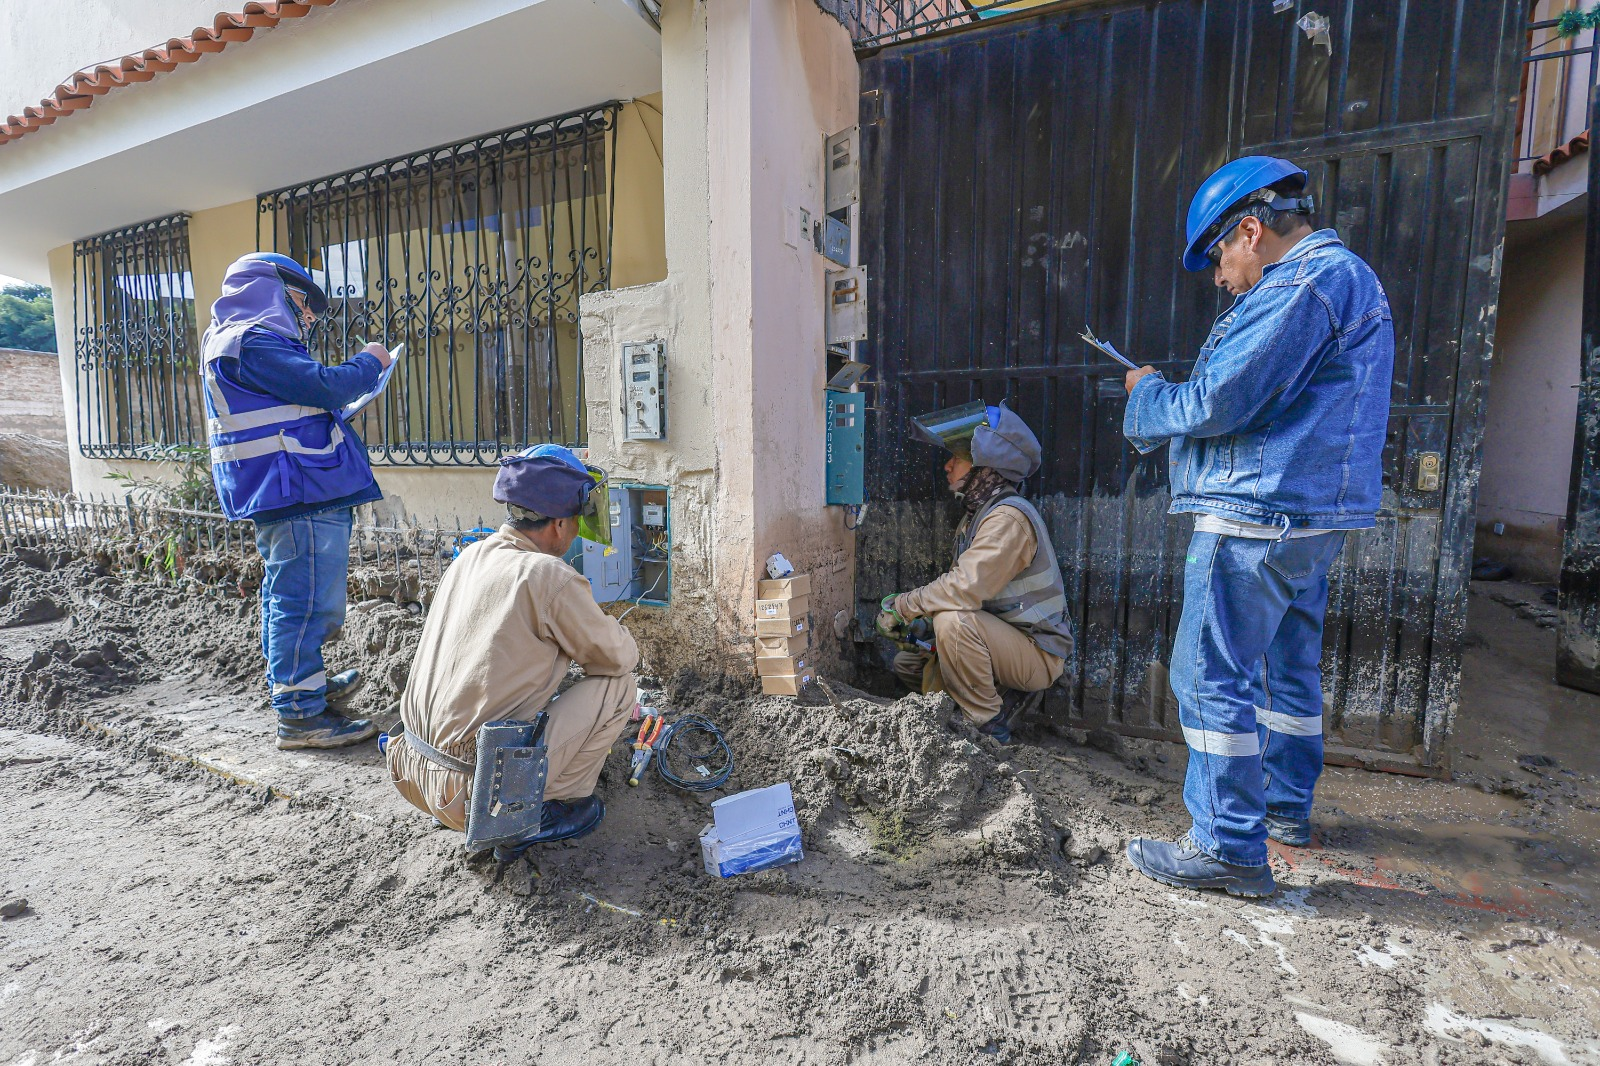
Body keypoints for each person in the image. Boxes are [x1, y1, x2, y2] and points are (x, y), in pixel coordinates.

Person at [1119, 156, 1394, 897]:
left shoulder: (1303, 283)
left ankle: (1227, 849)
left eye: (1218, 256)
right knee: (1282, 671)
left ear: (1250, 229)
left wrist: (1147, 396)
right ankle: (1282, 810)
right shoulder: (1343, 280)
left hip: (1256, 515)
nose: (1219, 276)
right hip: (1305, 518)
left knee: (1208, 674)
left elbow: (1221, 399)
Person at [385, 445, 638, 858]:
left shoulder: (471, 556)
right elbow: (617, 658)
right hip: (473, 792)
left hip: (412, 771)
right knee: (618, 688)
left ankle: (464, 802)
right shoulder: (549, 575)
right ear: (559, 524)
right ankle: (535, 815)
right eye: (575, 522)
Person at [201, 253, 394, 751]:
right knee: (306, 603)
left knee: (290, 598)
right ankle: (301, 715)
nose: (308, 316)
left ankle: (301, 688)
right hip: (298, 488)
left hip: (288, 487)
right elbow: (323, 386)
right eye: (304, 302)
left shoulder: (238, 341)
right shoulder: (253, 341)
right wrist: (372, 360)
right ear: (272, 288)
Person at [878, 402, 1074, 744]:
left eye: (958, 456)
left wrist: (906, 606)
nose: (948, 465)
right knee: (908, 664)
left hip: (1035, 651)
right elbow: (963, 592)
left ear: (988, 466)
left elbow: (961, 591)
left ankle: (989, 730)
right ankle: (979, 705)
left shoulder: (1007, 519)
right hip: (1003, 638)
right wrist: (919, 626)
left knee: (952, 623)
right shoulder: (978, 515)